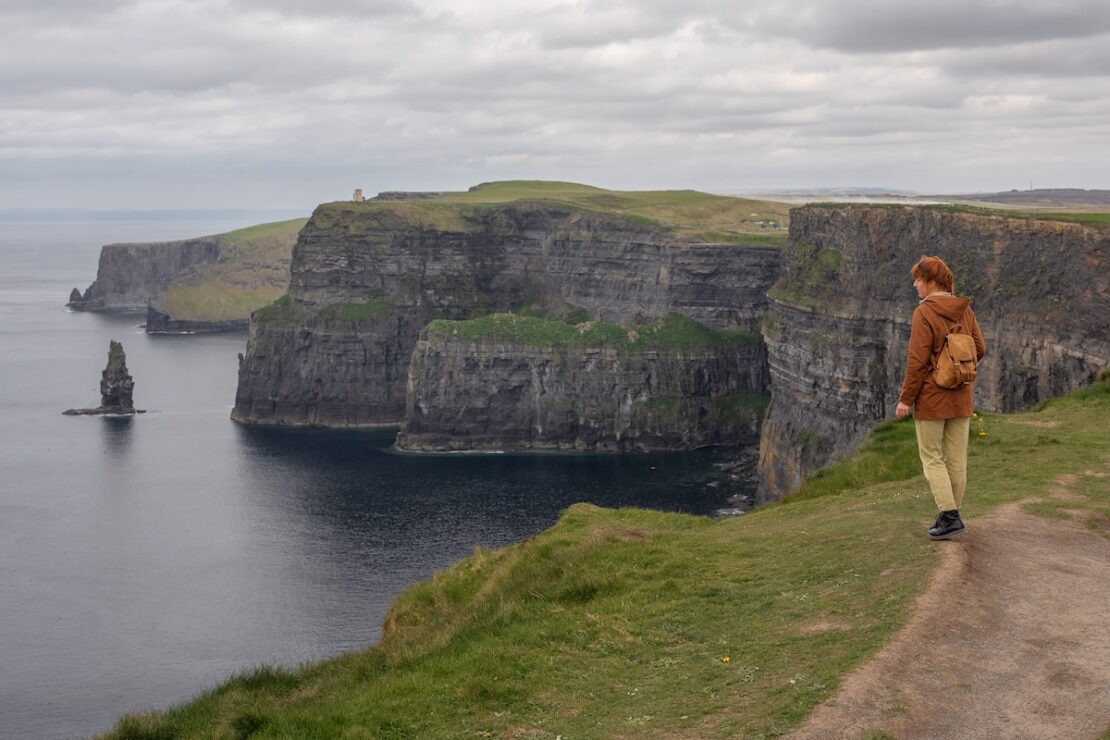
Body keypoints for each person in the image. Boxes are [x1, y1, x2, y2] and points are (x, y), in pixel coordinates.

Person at [895, 255, 986, 540]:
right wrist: (957, 371)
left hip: (933, 398)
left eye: (919, 280)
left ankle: (949, 515)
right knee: (956, 459)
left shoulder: (924, 312)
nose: (915, 284)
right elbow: (980, 348)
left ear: (931, 282)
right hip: (961, 397)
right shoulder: (965, 311)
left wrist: (906, 399)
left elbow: (917, 361)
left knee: (932, 457)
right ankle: (951, 514)